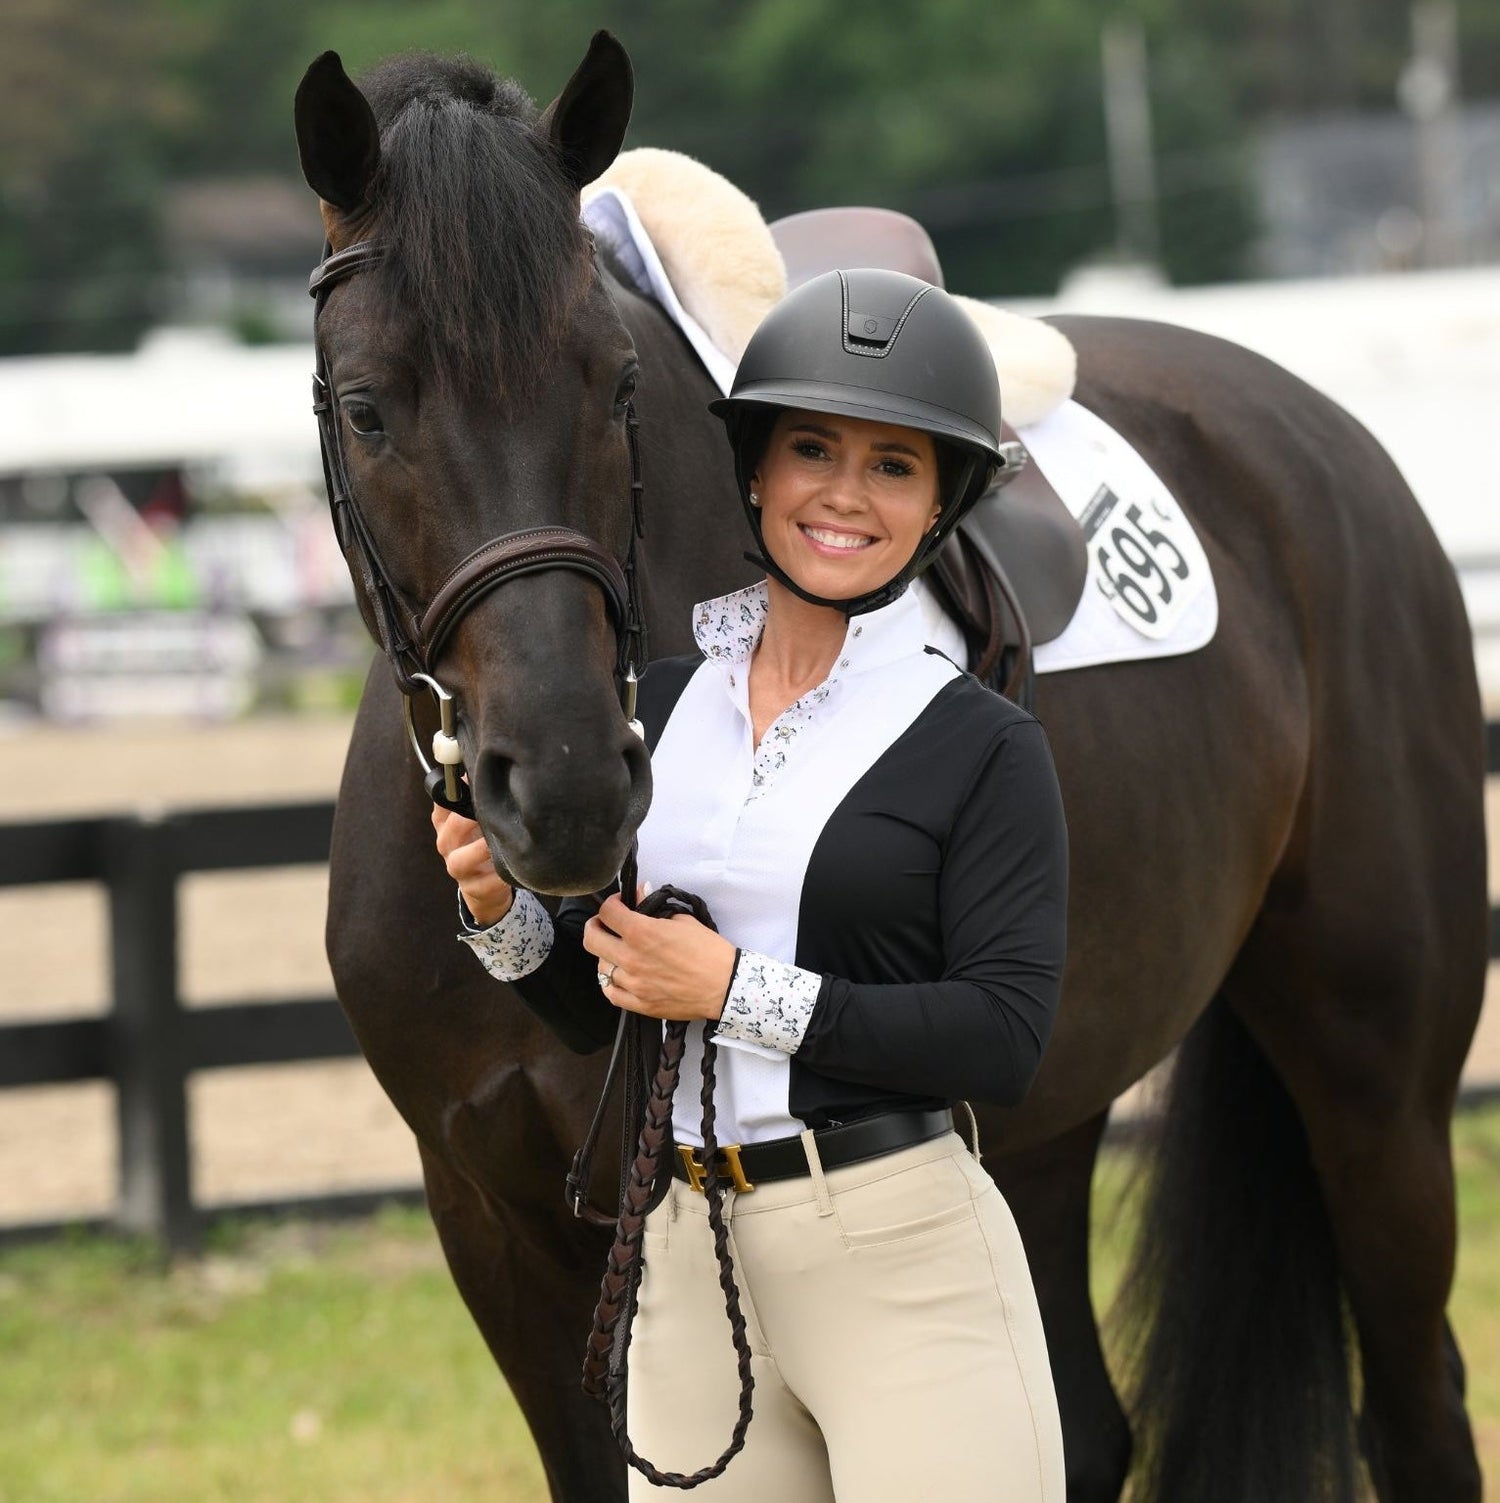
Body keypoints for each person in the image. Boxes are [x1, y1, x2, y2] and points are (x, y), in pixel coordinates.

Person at [432, 268, 1068, 1501]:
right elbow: (603, 1004)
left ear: (940, 504)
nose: (843, 493)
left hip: (902, 1261)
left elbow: (1003, 1037)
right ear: (756, 473)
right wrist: (507, 917)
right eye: (813, 449)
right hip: (685, 1258)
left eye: (894, 465)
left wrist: (735, 989)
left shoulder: (983, 743)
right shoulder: (663, 709)